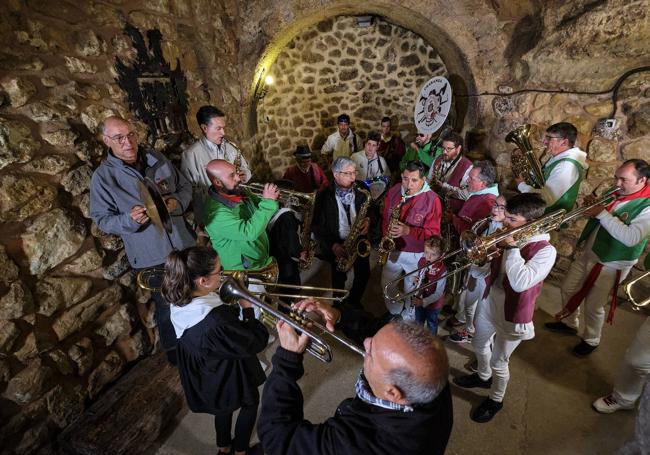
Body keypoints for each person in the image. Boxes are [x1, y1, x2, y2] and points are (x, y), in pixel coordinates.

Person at [257, 299, 454, 455]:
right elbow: (380, 334)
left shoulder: (356, 445)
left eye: (371, 352)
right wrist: (339, 315)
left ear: (392, 392)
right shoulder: (431, 375)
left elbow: (278, 438)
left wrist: (287, 361)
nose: (366, 342)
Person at [90, 115, 195, 363]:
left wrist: (176, 202)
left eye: (131, 134)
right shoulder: (103, 179)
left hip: (183, 243)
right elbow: (102, 220)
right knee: (167, 309)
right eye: (119, 138)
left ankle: (201, 345)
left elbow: (186, 187)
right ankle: (177, 358)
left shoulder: (157, 158)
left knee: (195, 297)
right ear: (107, 141)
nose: (128, 142)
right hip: (152, 256)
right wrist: (129, 220)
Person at [454, 193, 557, 423]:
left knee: (499, 362)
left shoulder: (546, 250)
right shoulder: (508, 233)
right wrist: (481, 257)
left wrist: (510, 249)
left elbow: (521, 282)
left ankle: (496, 399)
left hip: (513, 316)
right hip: (490, 301)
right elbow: (488, 269)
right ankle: (482, 377)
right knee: (479, 344)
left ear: (529, 222)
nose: (503, 222)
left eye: (510, 219)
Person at [161, 246, 267, 455]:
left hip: (207, 370)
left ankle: (223, 447)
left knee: (223, 407)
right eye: (220, 271)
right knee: (251, 402)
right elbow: (254, 341)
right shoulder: (215, 322)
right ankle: (240, 451)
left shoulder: (180, 298)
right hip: (226, 368)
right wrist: (247, 309)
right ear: (202, 281)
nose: (224, 274)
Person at [546, 159, 650, 356]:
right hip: (591, 250)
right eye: (616, 177)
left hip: (612, 261)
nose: (617, 184)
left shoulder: (648, 206)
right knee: (568, 287)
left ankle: (591, 339)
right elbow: (600, 217)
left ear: (642, 180)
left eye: (623, 180)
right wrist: (591, 211)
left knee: (594, 305)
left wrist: (601, 213)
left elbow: (632, 238)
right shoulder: (616, 192)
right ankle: (569, 322)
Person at [381, 160, 442, 317]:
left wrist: (409, 230)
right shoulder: (395, 190)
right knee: (387, 285)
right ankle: (395, 310)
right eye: (405, 178)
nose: (409, 184)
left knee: (412, 290)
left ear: (423, 180)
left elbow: (433, 233)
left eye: (414, 180)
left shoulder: (432, 199)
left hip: (416, 254)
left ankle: (408, 318)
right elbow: (385, 219)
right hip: (393, 249)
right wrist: (385, 238)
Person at [312, 157, 370, 307]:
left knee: (364, 274)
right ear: (336, 174)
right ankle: (338, 306)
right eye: (348, 173)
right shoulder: (324, 195)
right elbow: (317, 226)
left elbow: (373, 210)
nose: (353, 177)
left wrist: (369, 221)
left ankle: (354, 302)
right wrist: (333, 245)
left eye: (354, 172)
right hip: (337, 243)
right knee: (338, 279)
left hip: (359, 240)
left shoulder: (362, 189)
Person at [181, 105, 252, 227]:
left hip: (238, 207)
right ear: (204, 128)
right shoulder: (190, 155)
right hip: (215, 214)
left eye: (223, 128)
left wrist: (245, 175)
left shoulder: (230, 147)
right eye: (218, 128)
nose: (223, 133)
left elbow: (246, 169)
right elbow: (189, 191)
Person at [448, 196, 506, 343]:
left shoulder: (507, 232)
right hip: (474, 269)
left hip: (489, 276)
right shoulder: (484, 222)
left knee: (483, 313)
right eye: (495, 204)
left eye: (501, 207)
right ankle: (469, 329)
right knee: (468, 304)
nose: (495, 209)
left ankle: (484, 342)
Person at [203, 159, 279, 272]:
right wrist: (268, 203)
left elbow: (258, 207)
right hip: (245, 272)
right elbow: (249, 232)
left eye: (236, 172)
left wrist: (269, 197)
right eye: (231, 176)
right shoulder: (216, 215)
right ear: (218, 182)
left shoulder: (236, 192)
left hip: (259, 259)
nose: (238, 178)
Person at [515, 122, 587, 214]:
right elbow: (543, 178)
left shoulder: (567, 165)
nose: (545, 142)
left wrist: (521, 185)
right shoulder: (559, 158)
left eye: (549, 138)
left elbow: (546, 199)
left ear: (564, 142)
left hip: (549, 218)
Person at [447, 160, 499, 235]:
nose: (467, 180)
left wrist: (452, 219)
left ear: (483, 183)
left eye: (471, 178)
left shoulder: (487, 203)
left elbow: (471, 232)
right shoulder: (479, 193)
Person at [428, 131, 473, 214]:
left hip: (451, 212)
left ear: (458, 149)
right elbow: (429, 180)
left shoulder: (467, 166)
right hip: (432, 205)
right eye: (443, 148)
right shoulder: (438, 159)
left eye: (449, 149)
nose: (444, 152)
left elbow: (466, 195)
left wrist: (443, 187)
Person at [411, 236, 447, 334]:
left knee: (432, 324)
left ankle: (432, 342)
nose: (428, 257)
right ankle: (418, 340)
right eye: (426, 252)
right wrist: (413, 278)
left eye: (433, 254)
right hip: (419, 298)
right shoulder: (422, 260)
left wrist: (423, 302)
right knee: (418, 322)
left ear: (442, 255)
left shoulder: (442, 270)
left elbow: (439, 292)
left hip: (433, 304)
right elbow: (415, 273)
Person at [378, 116, 406, 181]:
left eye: (388, 126)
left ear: (390, 127)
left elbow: (400, 156)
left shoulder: (396, 140)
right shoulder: (377, 140)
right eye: (384, 126)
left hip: (392, 172)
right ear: (381, 127)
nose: (386, 128)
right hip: (378, 171)